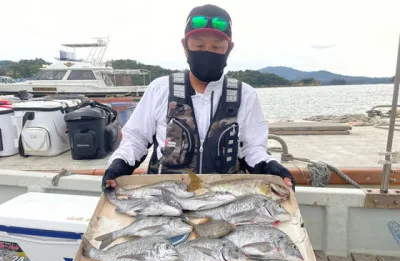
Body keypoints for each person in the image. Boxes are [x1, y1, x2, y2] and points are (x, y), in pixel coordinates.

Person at [102, 4, 295, 191]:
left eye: (217, 47)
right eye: (199, 45)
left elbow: (252, 148)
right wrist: (119, 164)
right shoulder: (160, 89)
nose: (207, 52)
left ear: (229, 48)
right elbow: (136, 139)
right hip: (167, 197)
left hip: (224, 197)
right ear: (185, 47)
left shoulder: (245, 95)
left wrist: (271, 166)